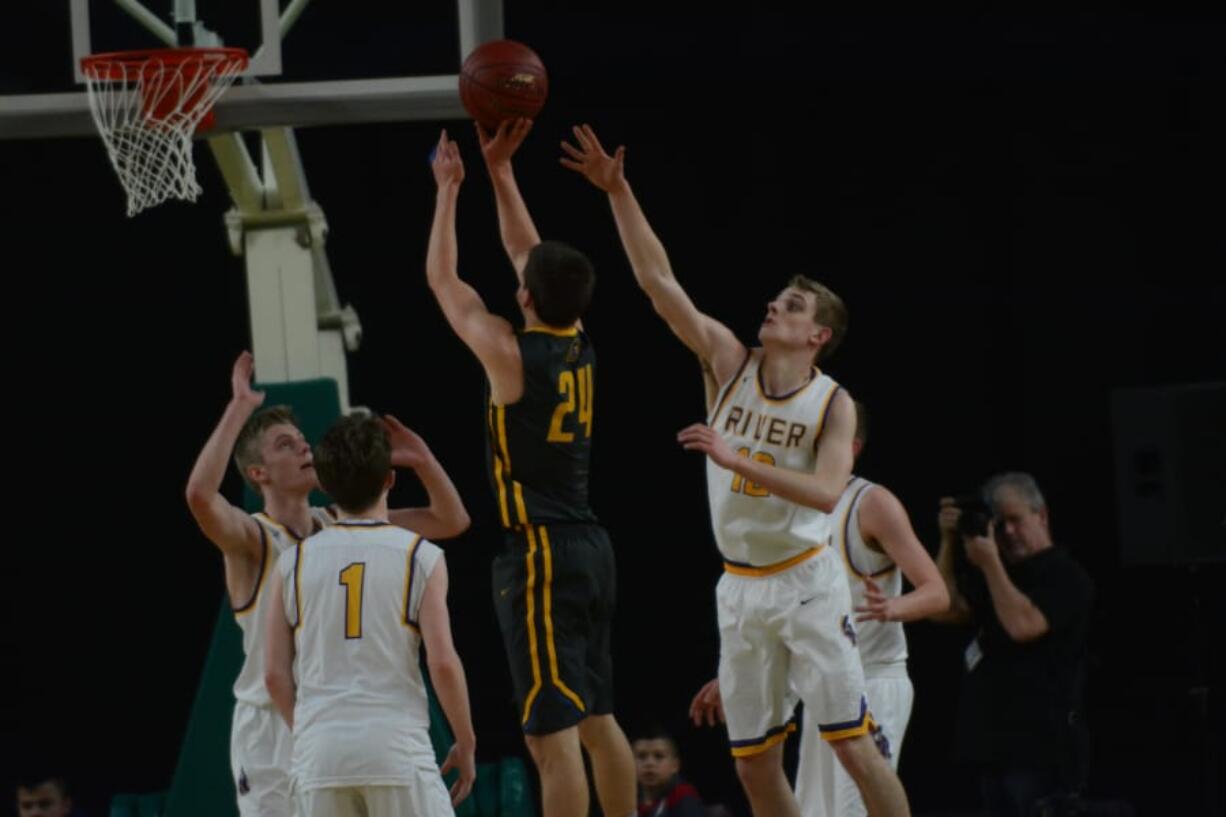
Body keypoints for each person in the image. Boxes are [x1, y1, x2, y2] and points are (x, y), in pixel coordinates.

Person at [560, 123, 910, 817]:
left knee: (855, 748)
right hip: (741, 589)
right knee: (753, 769)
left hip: (808, 584)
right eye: (777, 297)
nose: (773, 305)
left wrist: (734, 455)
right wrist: (618, 190)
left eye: (792, 305)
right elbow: (658, 283)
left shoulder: (831, 403)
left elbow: (827, 491)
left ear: (818, 336)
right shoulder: (728, 362)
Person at [423, 123, 635, 817]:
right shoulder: (579, 339)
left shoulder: (508, 355)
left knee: (552, 738)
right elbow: (527, 253)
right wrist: (502, 171)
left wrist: (450, 191)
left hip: (541, 552)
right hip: (590, 546)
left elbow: (444, 281)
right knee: (600, 719)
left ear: (524, 297)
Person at [185, 350, 470, 816]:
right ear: (258, 473)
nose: (303, 449)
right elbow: (199, 495)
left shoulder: (336, 525)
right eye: (284, 445)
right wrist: (240, 407)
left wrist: (423, 460)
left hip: (327, 721)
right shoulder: (253, 540)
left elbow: (449, 519)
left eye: (302, 441)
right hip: (271, 727)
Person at [690, 401, 949, 817]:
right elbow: (778, 608)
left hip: (872, 678)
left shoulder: (872, 503)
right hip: (820, 679)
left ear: (851, 448)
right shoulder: (785, 505)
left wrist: (892, 606)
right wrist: (745, 670)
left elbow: (938, 593)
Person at [264, 413, 477, 816]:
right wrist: (465, 742)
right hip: (394, 748)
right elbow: (444, 663)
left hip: (319, 757)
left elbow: (275, 676)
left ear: (324, 486)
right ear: (389, 480)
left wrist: (314, 734)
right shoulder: (420, 554)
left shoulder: (291, 563)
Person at [932, 472, 1094, 817]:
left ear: (1042, 516)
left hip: (1040, 747)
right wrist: (948, 542)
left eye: (1016, 521)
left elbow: (1024, 626)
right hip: (991, 745)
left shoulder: (1066, 575)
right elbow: (943, 609)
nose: (1007, 533)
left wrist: (990, 562)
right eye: (999, 524)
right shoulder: (996, 574)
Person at [632, 729, 705, 817]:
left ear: (675, 765)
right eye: (641, 756)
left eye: (659, 756)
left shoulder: (684, 798)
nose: (649, 763)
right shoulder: (626, 801)